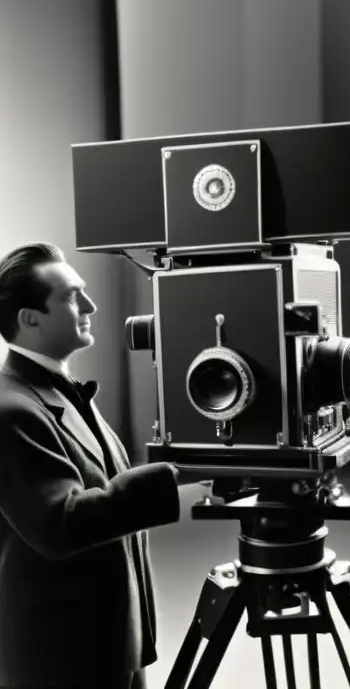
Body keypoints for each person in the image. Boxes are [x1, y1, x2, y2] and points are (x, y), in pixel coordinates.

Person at [0, 243, 210, 689]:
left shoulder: (56, 391)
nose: (90, 305)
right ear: (30, 319)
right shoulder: (9, 410)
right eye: (73, 296)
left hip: (112, 641)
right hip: (62, 660)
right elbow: (61, 523)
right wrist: (177, 474)